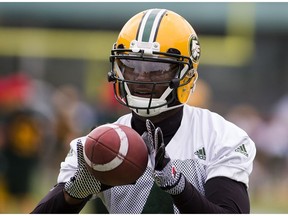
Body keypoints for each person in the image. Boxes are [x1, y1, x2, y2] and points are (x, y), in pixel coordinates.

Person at [31, 8, 256, 214]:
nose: (140, 77)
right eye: (131, 66)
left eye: (156, 69)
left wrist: (179, 187)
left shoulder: (221, 137)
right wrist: (72, 194)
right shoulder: (98, 143)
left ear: (186, 75)